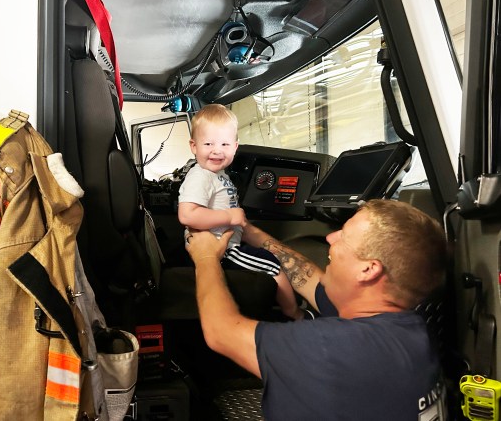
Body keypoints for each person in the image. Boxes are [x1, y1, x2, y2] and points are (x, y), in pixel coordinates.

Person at [185, 198, 448, 420]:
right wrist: (249, 232)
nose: (330, 237)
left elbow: (221, 331)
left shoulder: (332, 347)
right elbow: (310, 278)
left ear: (368, 269)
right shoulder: (411, 329)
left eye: (343, 236)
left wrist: (206, 257)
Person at [177, 104, 304, 320]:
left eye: (225, 144)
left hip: (229, 243)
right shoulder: (200, 176)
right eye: (208, 144)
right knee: (272, 264)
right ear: (194, 146)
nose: (217, 150)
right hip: (222, 250)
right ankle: (294, 313)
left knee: (270, 256)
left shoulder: (219, 175)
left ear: (235, 147)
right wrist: (229, 216)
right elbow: (187, 215)